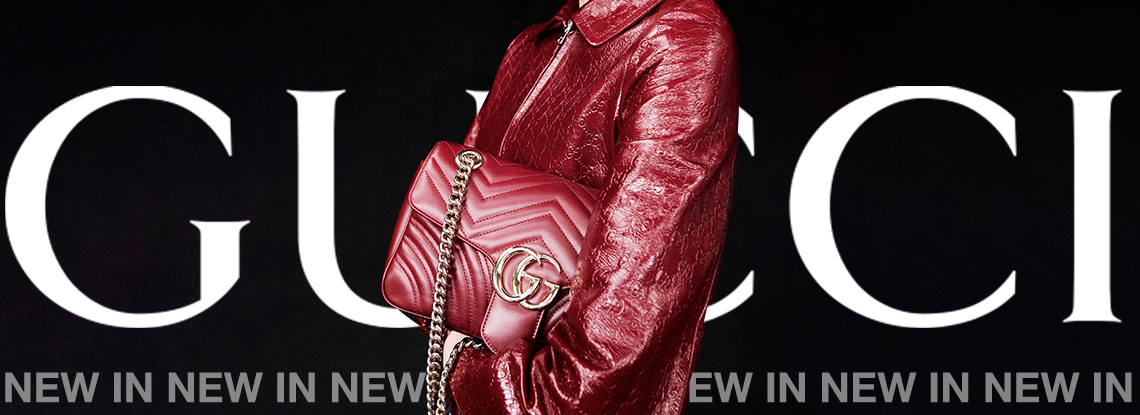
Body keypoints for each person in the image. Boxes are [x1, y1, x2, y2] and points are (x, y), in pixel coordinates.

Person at [444, 0, 739, 412]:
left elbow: (599, 364)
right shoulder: (529, 47)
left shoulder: (682, 35)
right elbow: (445, 248)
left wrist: (465, 368)